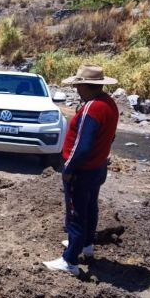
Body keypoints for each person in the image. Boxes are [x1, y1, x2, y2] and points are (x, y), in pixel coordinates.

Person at [43, 65, 119, 276]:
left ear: (86, 86)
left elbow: (81, 145)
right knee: (90, 207)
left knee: (75, 213)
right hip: (98, 166)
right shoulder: (109, 104)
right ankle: (85, 245)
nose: (76, 89)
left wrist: (69, 167)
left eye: (78, 85)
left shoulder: (91, 108)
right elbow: (110, 137)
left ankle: (70, 260)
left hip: (83, 169)